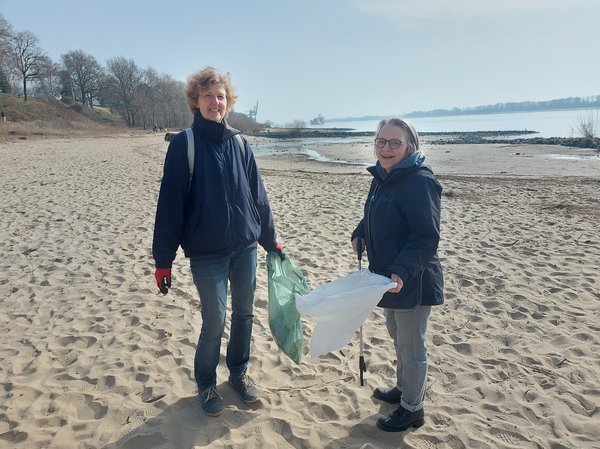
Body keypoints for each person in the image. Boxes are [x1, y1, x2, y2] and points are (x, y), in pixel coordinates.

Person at [152, 66, 283, 417]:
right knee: (214, 321)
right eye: (208, 96)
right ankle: (207, 383)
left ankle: (238, 373)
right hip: (206, 253)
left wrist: (271, 240)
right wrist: (163, 260)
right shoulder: (185, 144)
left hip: (245, 248)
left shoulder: (240, 143)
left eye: (220, 96)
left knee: (244, 314)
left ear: (228, 101)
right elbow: (170, 205)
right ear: (195, 101)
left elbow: (258, 196)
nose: (215, 102)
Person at [351, 118, 444, 432]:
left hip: (412, 279)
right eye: (381, 141)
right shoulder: (382, 176)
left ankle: (413, 409)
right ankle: (404, 389)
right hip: (387, 279)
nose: (386, 148)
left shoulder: (419, 181)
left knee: (412, 347)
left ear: (410, 146)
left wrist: (402, 270)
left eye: (394, 143)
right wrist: (360, 232)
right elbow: (373, 214)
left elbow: (426, 237)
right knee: (397, 337)